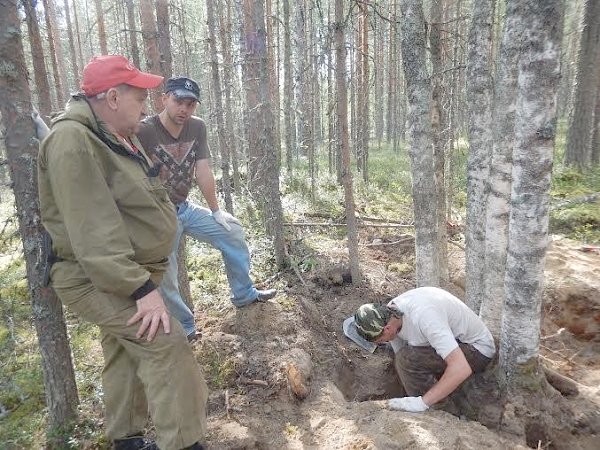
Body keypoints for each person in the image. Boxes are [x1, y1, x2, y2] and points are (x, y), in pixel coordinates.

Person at [37, 55, 208, 450]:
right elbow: (93, 229)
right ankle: (185, 444)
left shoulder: (109, 133)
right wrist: (141, 290)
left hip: (123, 272)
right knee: (166, 343)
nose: (146, 108)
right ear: (113, 97)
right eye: (139, 99)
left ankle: (126, 440)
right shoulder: (72, 140)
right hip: (97, 276)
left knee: (125, 348)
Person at [136, 76, 276, 341]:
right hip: (157, 214)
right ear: (164, 99)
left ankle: (244, 295)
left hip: (184, 208)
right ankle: (186, 328)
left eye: (191, 104)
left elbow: (202, 169)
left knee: (232, 230)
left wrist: (215, 211)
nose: (184, 109)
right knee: (165, 273)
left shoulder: (196, 128)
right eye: (178, 101)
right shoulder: (145, 130)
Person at [350, 286, 495, 413]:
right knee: (397, 356)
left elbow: (460, 368)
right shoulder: (392, 312)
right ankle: (423, 395)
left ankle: (441, 411)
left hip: (477, 349)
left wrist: (421, 402)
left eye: (381, 339)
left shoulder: (425, 318)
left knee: (406, 360)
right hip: (451, 342)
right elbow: (397, 350)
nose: (383, 342)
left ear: (387, 328)